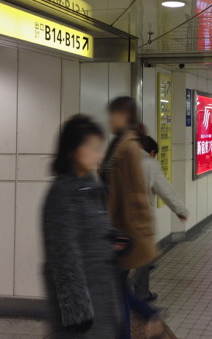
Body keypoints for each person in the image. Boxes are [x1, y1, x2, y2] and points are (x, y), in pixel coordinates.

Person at [42, 115, 126, 338]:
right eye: (92, 148)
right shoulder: (62, 195)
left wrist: (113, 239)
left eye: (100, 148)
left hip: (102, 298)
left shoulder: (91, 187)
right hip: (82, 316)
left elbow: (90, 232)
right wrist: (78, 313)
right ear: (72, 150)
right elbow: (63, 256)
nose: (99, 155)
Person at [100, 96, 162, 338]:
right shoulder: (118, 143)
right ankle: (148, 315)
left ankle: (146, 316)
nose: (110, 120)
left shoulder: (128, 146)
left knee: (118, 290)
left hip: (123, 232)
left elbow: (136, 193)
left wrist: (137, 235)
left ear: (124, 115)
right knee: (119, 289)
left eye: (113, 114)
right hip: (115, 229)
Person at [131, 136, 189, 303]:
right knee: (143, 257)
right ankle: (140, 294)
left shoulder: (123, 159)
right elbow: (165, 190)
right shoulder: (149, 164)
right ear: (152, 152)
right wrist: (181, 210)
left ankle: (132, 293)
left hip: (119, 219)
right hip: (140, 219)